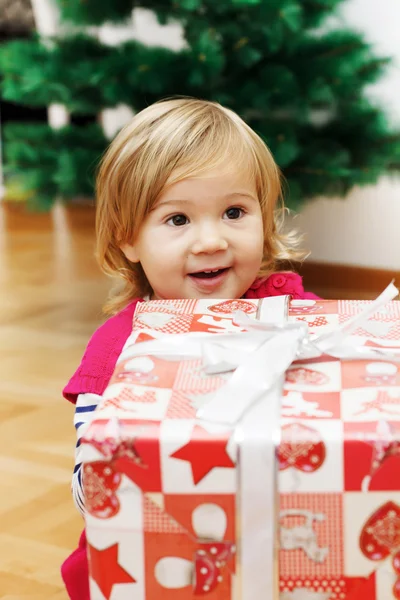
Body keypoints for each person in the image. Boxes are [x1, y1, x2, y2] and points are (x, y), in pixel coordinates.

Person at [61, 97, 318, 599]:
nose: (210, 241)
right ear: (127, 239)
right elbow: (89, 489)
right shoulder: (117, 349)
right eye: (178, 220)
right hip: (157, 553)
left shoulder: (289, 306)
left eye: (234, 212)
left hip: (280, 532)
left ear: (265, 219)